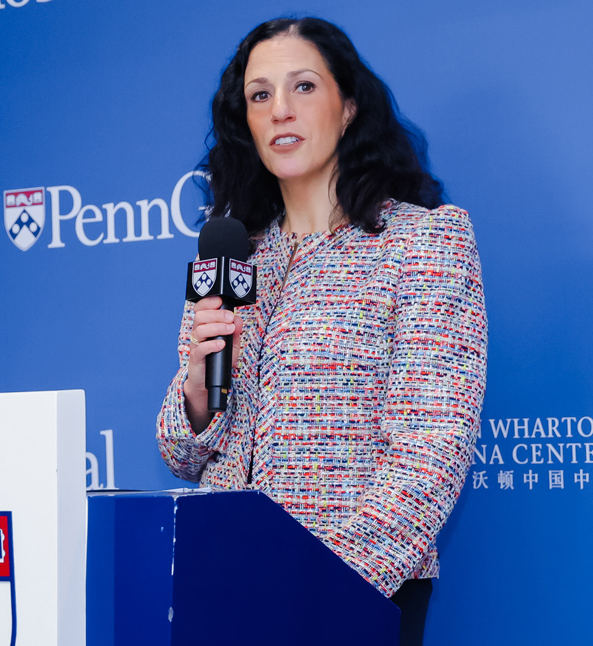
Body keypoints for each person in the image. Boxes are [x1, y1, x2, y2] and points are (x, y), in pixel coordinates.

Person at [156, 16, 487, 645]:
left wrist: (319, 579)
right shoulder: (231, 258)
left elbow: (431, 451)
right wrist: (197, 389)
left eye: (303, 87)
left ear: (349, 108)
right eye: (260, 95)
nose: (280, 110)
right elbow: (184, 455)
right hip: (225, 579)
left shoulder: (422, 240)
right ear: (246, 123)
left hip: (353, 587)